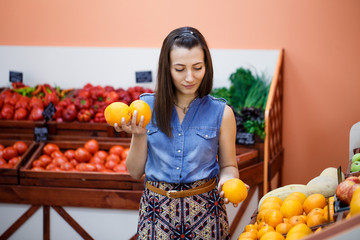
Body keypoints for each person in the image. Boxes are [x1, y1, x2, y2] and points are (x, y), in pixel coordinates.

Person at [115, 26, 242, 239]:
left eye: (198, 67)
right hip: (156, 213)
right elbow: (135, 171)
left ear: (206, 66)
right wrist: (139, 134)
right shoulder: (145, 108)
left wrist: (228, 181)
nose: (190, 77)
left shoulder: (222, 113)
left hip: (206, 213)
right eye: (180, 69)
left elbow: (229, 165)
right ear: (167, 69)